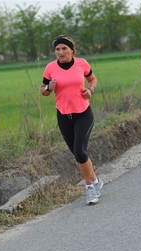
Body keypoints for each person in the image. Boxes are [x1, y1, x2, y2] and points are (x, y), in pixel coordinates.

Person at [40, 35, 103, 204]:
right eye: (58, 49)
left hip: (83, 113)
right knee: (78, 153)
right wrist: (48, 87)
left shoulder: (82, 63)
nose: (60, 52)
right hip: (63, 115)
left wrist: (90, 90)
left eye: (64, 49)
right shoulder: (50, 68)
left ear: (72, 50)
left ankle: (90, 188)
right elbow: (43, 91)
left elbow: (92, 79)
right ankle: (96, 182)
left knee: (81, 151)